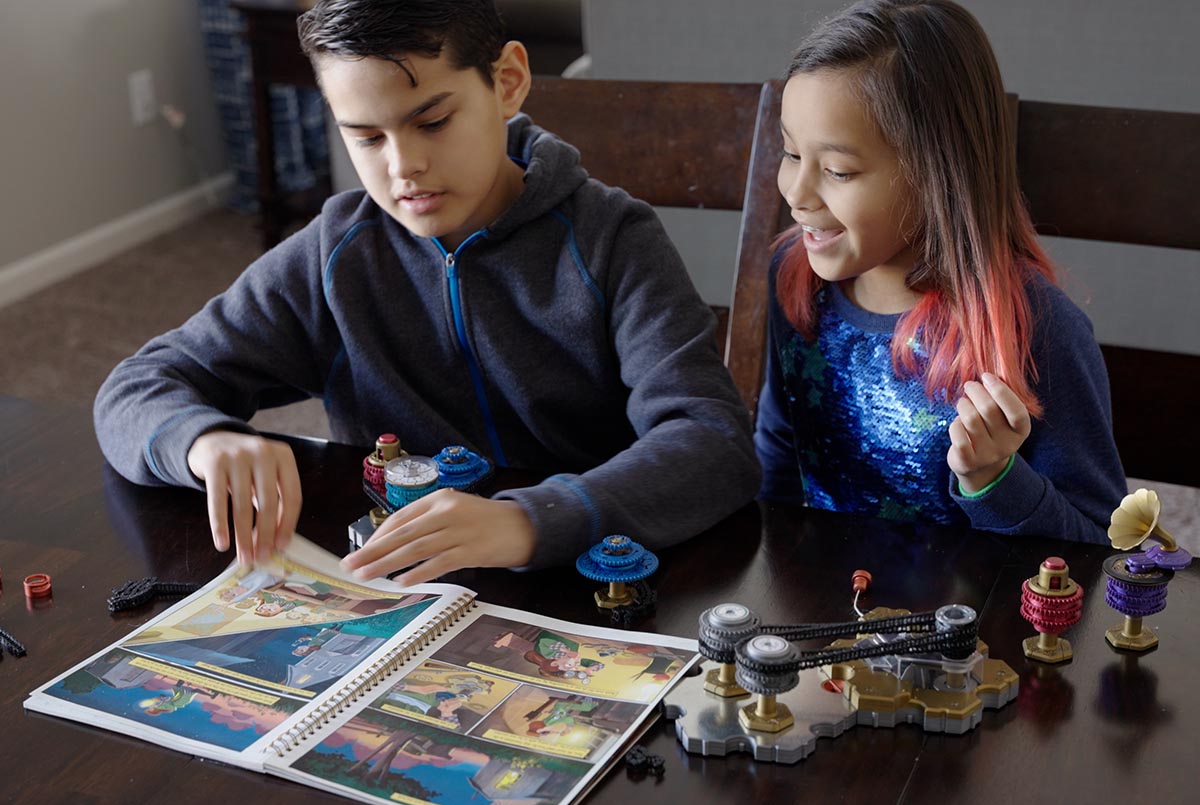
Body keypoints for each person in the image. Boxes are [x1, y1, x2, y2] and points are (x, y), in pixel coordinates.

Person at [93, 0, 759, 582]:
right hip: (404, 591)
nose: (402, 165)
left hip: (595, 584)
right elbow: (136, 388)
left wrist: (531, 520)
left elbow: (713, 441)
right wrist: (202, 440)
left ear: (507, 81)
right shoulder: (335, 253)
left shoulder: (614, 240)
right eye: (365, 136)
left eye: (432, 122)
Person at [754, 0, 1125, 544]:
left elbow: (1100, 551)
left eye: (837, 170)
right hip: (820, 608)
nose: (796, 193)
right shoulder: (794, 276)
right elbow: (778, 458)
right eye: (790, 154)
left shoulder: (1039, 330)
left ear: (936, 172)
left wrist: (993, 480)